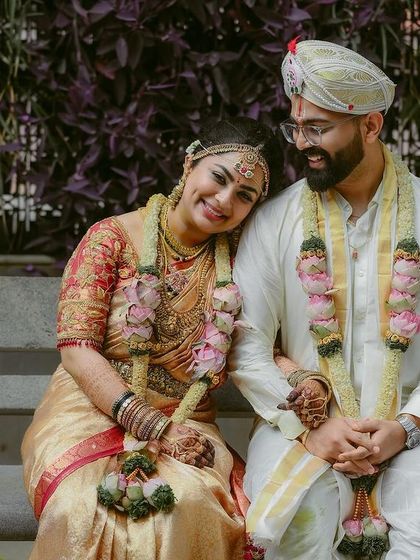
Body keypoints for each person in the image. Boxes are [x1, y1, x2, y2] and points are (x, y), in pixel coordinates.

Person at [21, 116, 284, 560]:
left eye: (244, 196)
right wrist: (153, 425)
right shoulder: (112, 238)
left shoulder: (241, 263)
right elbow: (77, 349)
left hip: (190, 424)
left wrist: (304, 380)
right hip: (88, 413)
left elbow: (261, 348)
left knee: (190, 504)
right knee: (80, 507)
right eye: (217, 178)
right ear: (189, 164)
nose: (223, 200)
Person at [229, 38, 420, 560]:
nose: (300, 143)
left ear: (371, 126)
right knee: (297, 525)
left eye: (318, 129)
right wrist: (314, 426)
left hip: (413, 432)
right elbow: (246, 346)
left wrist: (405, 427)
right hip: (303, 429)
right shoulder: (275, 220)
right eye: (297, 127)